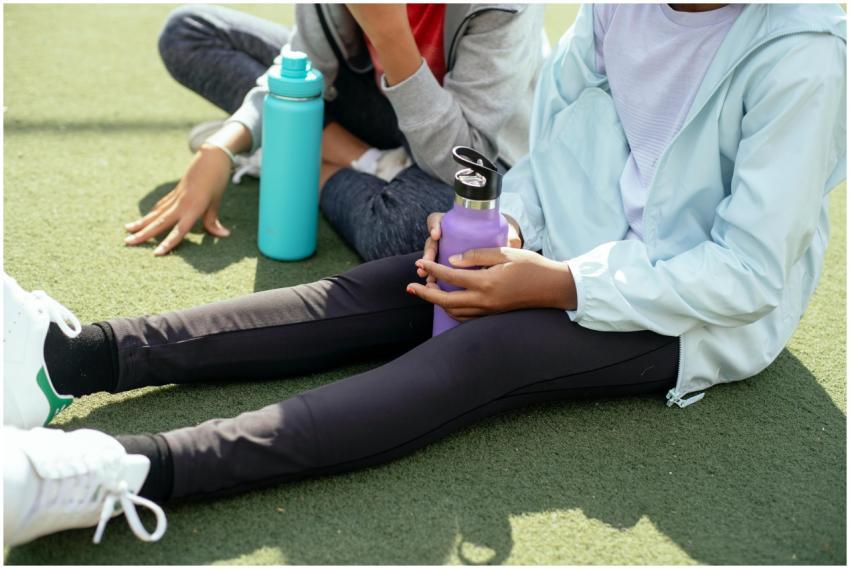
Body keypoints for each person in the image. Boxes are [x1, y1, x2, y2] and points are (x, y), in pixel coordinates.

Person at [3, 3, 845, 547]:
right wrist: (505, 226)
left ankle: (128, 468)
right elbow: (551, 156)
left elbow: (746, 272)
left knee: (474, 358)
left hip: (688, 310)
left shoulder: (803, 59)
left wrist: (557, 285)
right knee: (393, 283)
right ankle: (73, 356)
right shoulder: (616, 7)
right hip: (560, 248)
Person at [123, 3, 546, 261]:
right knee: (189, 31)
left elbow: (464, 161)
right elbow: (301, 68)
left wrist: (390, 34)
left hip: (465, 146)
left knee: (420, 229)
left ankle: (285, 154)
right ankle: (362, 159)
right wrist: (225, 143)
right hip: (374, 106)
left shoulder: (504, 7)